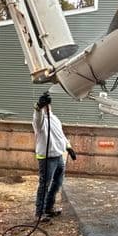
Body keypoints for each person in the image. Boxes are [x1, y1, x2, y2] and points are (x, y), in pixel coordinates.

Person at [32, 91, 77, 221]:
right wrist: (38, 107)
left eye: (48, 105)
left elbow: (60, 135)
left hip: (58, 157)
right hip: (46, 159)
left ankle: (49, 208)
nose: (48, 107)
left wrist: (69, 147)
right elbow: (37, 118)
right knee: (44, 185)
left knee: (57, 183)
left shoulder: (55, 119)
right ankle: (39, 214)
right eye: (45, 105)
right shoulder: (39, 121)